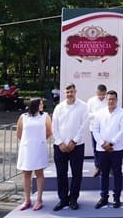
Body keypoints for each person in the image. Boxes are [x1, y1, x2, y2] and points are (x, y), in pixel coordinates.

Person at [51, 83, 90, 211]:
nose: (69, 94)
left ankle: (73, 199)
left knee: (76, 174)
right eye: (67, 92)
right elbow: (54, 126)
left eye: (71, 92)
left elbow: (84, 125)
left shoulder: (83, 107)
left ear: (75, 91)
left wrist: (74, 141)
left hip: (77, 146)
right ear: (64, 93)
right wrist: (60, 142)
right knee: (61, 174)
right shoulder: (59, 108)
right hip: (60, 146)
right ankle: (63, 199)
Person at [92, 90, 123, 209]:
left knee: (117, 173)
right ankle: (103, 197)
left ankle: (117, 198)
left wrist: (111, 143)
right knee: (104, 174)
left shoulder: (122, 113)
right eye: (109, 99)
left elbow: (122, 130)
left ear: (117, 100)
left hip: (116, 149)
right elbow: (95, 130)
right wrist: (103, 143)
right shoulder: (99, 113)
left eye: (113, 99)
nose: (111, 101)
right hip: (102, 149)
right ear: (106, 100)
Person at [16, 98, 52, 211]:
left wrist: (40, 140)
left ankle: (39, 199)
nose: (42, 105)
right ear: (34, 105)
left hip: (38, 148)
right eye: (40, 104)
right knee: (26, 173)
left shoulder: (45, 116)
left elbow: (49, 131)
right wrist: (27, 142)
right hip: (26, 148)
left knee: (39, 172)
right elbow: (19, 133)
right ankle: (27, 199)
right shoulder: (24, 117)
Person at [87, 84, 107, 177]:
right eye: (99, 94)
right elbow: (87, 114)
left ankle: (108, 167)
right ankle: (97, 166)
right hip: (94, 128)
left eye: (103, 94)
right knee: (96, 148)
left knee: (106, 147)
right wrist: (98, 115)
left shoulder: (108, 100)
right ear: (96, 93)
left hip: (106, 128)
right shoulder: (91, 101)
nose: (101, 96)